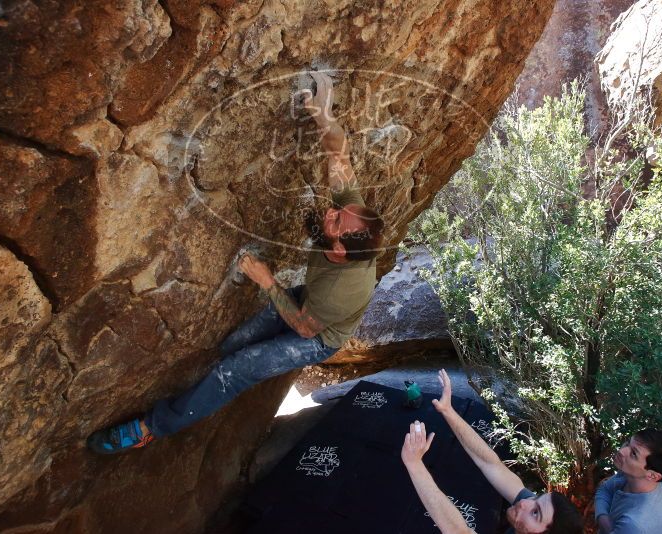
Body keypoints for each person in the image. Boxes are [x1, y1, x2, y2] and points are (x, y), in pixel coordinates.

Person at [88, 71, 385, 454]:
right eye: (338, 210)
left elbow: (305, 328)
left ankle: (152, 428)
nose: (330, 211)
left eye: (335, 221)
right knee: (235, 343)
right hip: (307, 300)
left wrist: (266, 281)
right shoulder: (352, 218)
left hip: (318, 334)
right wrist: (322, 115)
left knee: (237, 367)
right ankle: (211, 389)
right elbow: (339, 155)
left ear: (342, 250)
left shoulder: (344, 287)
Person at [401, 369, 583, 534]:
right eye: (537, 498)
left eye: (536, 513)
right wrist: (448, 411)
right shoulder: (528, 505)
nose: (526, 502)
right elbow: (491, 464)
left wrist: (414, 464)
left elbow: (457, 531)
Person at [595, 428, 662, 534]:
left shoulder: (635, 524)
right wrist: (605, 521)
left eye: (633, 454)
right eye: (628, 443)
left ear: (652, 476)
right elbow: (604, 490)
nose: (621, 451)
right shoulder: (634, 474)